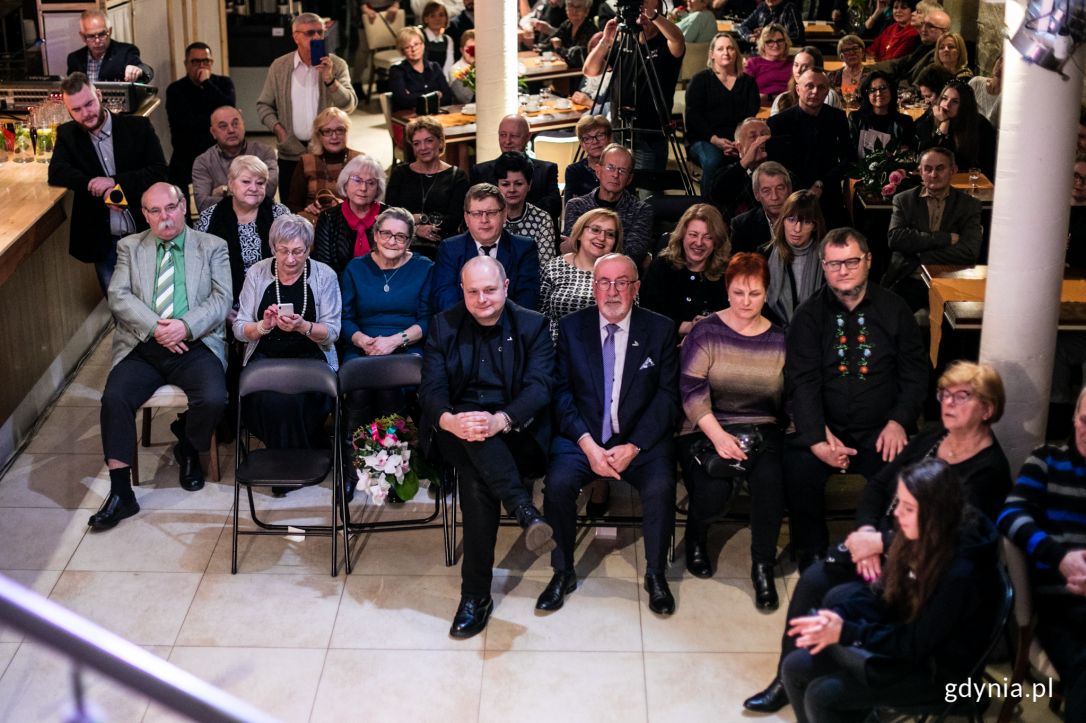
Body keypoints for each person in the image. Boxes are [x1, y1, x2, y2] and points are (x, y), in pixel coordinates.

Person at [746, 361, 1012, 713]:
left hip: (918, 570)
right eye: (944, 394)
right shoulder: (934, 437)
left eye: (961, 396)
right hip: (890, 548)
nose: (948, 403)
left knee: (837, 606)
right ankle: (792, 675)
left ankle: (846, 680)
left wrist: (883, 545)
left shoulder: (988, 472)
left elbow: (947, 541)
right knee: (815, 580)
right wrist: (867, 532)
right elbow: (878, 486)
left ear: (988, 409)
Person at [779, 458, 1001, 723]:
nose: (897, 513)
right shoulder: (921, 534)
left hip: (939, 672)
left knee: (822, 696)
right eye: (899, 503)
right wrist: (838, 616)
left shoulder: (960, 574)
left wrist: (847, 632)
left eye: (908, 508)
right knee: (794, 666)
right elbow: (885, 592)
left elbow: (915, 644)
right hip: (906, 640)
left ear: (935, 513)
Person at [419, 255, 556, 639]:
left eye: (490, 290)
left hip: (516, 430)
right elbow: (431, 389)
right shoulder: (443, 325)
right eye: (473, 292)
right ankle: (524, 510)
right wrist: (450, 421)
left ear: (506, 287)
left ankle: (475, 597)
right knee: (474, 450)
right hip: (455, 430)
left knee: (476, 479)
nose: (482, 299)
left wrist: (500, 420)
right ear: (462, 291)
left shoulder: (532, 325)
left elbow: (540, 387)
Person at [539, 253, 680, 615]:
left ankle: (655, 574)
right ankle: (562, 571)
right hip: (584, 435)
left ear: (636, 288)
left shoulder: (660, 329)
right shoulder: (572, 328)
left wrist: (635, 445)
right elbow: (561, 392)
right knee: (557, 485)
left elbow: (667, 397)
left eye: (622, 282)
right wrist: (587, 444)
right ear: (594, 287)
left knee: (661, 487)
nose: (612, 291)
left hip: (638, 438)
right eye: (604, 282)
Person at [89, 183, 230, 531]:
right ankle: (121, 493)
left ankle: (188, 445)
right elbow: (118, 296)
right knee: (114, 398)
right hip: (143, 345)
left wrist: (184, 326)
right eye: (155, 211)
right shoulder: (130, 247)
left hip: (194, 343)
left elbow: (222, 298)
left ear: (183, 206)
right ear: (145, 214)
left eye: (170, 208)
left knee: (214, 398)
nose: (164, 217)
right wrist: (156, 328)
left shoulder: (212, 246)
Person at [783, 227, 927, 568]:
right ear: (823, 266)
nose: (843, 270)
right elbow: (802, 382)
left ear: (868, 261)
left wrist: (899, 421)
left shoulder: (895, 309)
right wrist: (817, 437)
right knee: (798, 467)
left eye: (851, 261)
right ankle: (812, 553)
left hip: (882, 428)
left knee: (908, 473)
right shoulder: (808, 316)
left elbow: (916, 374)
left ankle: (886, 547)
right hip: (826, 427)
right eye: (834, 264)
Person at [677, 253, 786, 607]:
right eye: (738, 292)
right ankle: (696, 535)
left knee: (771, 483)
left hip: (761, 427)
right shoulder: (706, 332)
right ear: (727, 290)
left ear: (767, 293)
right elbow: (691, 391)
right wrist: (719, 436)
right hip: (706, 426)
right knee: (712, 490)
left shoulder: (779, 339)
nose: (745, 302)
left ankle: (762, 566)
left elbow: (787, 399)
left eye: (754, 294)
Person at [999, 388, 1086, 723]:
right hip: (1060, 603)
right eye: (1085, 420)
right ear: (1074, 419)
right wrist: (1061, 558)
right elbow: (1011, 515)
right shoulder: (1047, 459)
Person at [48, 72, 168, 294]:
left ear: (100, 95)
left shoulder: (138, 127)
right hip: (106, 243)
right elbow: (56, 173)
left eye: (89, 104)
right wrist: (94, 185)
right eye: (77, 109)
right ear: (68, 111)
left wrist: (113, 182)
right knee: (118, 308)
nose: (86, 113)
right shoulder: (67, 134)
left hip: (145, 235)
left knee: (157, 302)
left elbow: (159, 172)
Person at [232, 214, 341, 451]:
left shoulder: (325, 275)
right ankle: (297, 456)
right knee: (269, 400)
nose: (290, 259)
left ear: (308, 249)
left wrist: (303, 327)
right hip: (266, 359)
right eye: (283, 251)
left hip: (311, 359)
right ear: (273, 248)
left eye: (298, 251)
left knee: (297, 400)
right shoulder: (257, 273)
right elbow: (239, 329)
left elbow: (332, 332)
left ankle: (284, 457)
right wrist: (264, 325)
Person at [256, 12, 358, 200]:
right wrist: (279, 130)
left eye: (320, 32)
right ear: (296, 37)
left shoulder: (336, 65)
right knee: (291, 206)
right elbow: (264, 105)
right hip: (290, 151)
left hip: (327, 152)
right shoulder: (279, 67)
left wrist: (329, 79)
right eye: (310, 33)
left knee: (329, 206)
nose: (317, 37)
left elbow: (349, 104)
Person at [582, 2, 685, 171]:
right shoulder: (625, 42)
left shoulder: (665, 44)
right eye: (640, 11)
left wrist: (653, 15)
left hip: (650, 136)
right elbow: (590, 70)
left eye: (649, 11)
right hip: (619, 133)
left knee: (645, 188)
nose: (643, 16)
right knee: (616, 186)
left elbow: (678, 39)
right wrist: (605, 41)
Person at [884, 146, 983, 311]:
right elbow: (895, 239)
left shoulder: (969, 205)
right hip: (909, 279)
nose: (933, 175)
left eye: (940, 168)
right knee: (889, 318)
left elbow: (969, 251)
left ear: (953, 170)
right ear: (920, 172)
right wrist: (945, 239)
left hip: (951, 281)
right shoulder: (904, 200)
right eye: (928, 169)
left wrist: (920, 254)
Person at [195, 155, 291, 305]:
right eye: (246, 181)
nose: (253, 188)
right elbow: (200, 270)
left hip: (275, 301)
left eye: (260, 183)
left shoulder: (280, 215)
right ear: (231, 184)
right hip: (223, 304)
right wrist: (222, 310)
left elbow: (294, 260)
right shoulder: (209, 218)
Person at [432, 183, 541, 312]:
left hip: (510, 323)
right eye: (477, 213)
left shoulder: (524, 248)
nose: (484, 220)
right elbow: (445, 300)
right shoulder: (450, 249)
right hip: (462, 323)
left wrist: (494, 321)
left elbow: (526, 302)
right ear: (466, 218)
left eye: (491, 213)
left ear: (504, 215)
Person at [767, 69, 855, 227]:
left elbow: (849, 158)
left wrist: (821, 184)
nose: (815, 92)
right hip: (791, 195)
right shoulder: (778, 123)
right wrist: (804, 190)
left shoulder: (837, 118)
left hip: (828, 191)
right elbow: (776, 166)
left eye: (821, 87)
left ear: (827, 92)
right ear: (798, 89)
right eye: (809, 86)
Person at [684, 32, 761, 199]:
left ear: (736, 53)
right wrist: (716, 141)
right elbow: (693, 117)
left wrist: (739, 143)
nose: (726, 52)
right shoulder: (700, 80)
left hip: (738, 139)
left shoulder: (748, 82)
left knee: (759, 157)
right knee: (714, 160)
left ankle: (743, 206)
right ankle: (707, 207)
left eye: (730, 48)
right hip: (704, 138)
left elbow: (749, 118)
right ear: (712, 54)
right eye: (720, 49)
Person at [385, 116, 471, 255]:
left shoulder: (458, 176)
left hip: (443, 246)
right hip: (402, 245)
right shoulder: (400, 173)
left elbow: (455, 219)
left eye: (429, 141)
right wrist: (416, 229)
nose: (423, 148)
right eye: (417, 143)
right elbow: (390, 212)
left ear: (440, 141)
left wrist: (418, 219)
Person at [640, 204, 730, 334]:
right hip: (666, 342)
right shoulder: (661, 266)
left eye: (708, 237)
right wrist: (688, 327)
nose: (699, 243)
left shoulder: (727, 273)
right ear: (682, 235)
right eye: (693, 235)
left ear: (716, 241)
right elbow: (648, 316)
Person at [562, 144, 654, 267]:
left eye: (622, 171)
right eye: (610, 167)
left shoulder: (641, 210)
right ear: (598, 171)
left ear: (629, 179)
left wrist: (589, 248)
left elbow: (632, 256)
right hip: (579, 273)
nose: (615, 175)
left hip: (619, 275)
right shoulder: (576, 206)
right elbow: (572, 249)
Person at [165, 42, 236, 196]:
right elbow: (184, 124)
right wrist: (217, 122)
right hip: (187, 151)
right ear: (186, 64)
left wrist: (206, 83)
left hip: (218, 150)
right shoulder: (175, 89)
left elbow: (229, 111)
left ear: (212, 63)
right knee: (175, 189)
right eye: (195, 62)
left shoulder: (223, 83)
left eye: (206, 61)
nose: (201, 66)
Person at [539, 208, 622, 340]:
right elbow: (540, 314)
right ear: (579, 234)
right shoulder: (555, 267)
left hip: (603, 346)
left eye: (610, 234)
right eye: (595, 230)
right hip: (555, 346)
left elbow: (630, 320)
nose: (602, 238)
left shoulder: (622, 273)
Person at [470, 115, 561, 221]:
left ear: (528, 137)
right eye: (503, 135)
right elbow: (473, 210)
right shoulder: (480, 172)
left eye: (514, 136)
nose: (507, 141)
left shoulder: (546, 170)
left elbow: (554, 209)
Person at [191, 106, 279, 213]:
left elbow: (268, 192)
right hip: (220, 221)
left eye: (235, 124)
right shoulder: (203, 162)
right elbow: (203, 205)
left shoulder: (264, 153)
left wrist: (223, 190)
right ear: (213, 132)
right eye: (223, 126)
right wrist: (250, 194)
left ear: (244, 125)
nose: (231, 130)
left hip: (261, 218)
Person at [312, 155, 389, 275]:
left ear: (378, 189)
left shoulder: (390, 217)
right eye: (357, 180)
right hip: (339, 285)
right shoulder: (328, 218)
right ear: (345, 183)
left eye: (371, 183)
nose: (363, 188)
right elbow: (324, 267)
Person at [285, 107, 362, 222]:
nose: (334, 136)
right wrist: (307, 209)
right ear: (319, 135)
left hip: (351, 223)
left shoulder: (361, 161)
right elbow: (293, 206)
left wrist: (347, 207)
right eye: (327, 131)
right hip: (314, 223)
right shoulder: (306, 162)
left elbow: (371, 204)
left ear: (346, 132)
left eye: (340, 130)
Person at [764, 190, 826, 327]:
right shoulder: (765, 254)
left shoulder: (827, 256)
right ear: (783, 220)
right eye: (791, 220)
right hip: (773, 332)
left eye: (806, 222)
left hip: (816, 331)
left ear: (815, 226)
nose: (797, 229)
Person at [916, 80, 997, 178]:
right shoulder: (931, 117)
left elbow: (987, 165)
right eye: (944, 98)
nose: (947, 105)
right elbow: (925, 157)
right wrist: (943, 125)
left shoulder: (980, 125)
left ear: (964, 106)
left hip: (966, 180)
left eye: (955, 102)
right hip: (934, 178)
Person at [496, 152, 557, 268]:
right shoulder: (488, 216)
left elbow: (546, 268)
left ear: (529, 185)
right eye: (505, 184)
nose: (512, 190)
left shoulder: (542, 219)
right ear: (497, 186)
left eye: (518, 184)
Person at [66, 9, 153, 83]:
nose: (97, 41)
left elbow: (147, 72)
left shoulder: (125, 52)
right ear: (83, 36)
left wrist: (139, 71)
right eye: (91, 36)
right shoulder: (75, 59)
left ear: (110, 31)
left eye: (102, 34)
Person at [710, 118, 773, 220]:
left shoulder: (781, 171)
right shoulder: (727, 172)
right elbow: (717, 194)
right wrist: (746, 161)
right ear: (739, 147)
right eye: (753, 136)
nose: (760, 140)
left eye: (764, 135)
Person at [871, 6, 949, 87]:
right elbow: (897, 64)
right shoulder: (924, 46)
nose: (923, 29)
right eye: (923, 24)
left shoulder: (940, 54)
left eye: (931, 26)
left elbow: (917, 85)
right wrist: (866, 68)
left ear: (944, 32)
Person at [848, 71, 916, 159]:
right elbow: (850, 154)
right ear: (867, 95)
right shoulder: (856, 118)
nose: (879, 93)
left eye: (883, 88)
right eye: (872, 90)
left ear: (891, 90)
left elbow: (909, 154)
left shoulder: (905, 122)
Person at [730, 161, 792, 254]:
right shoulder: (742, 225)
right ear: (756, 194)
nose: (774, 197)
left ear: (790, 190)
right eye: (766, 190)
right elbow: (739, 263)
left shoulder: (806, 219)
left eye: (780, 188)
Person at [388, 26, 452, 112]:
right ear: (402, 51)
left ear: (423, 45)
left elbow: (448, 97)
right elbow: (402, 100)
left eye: (416, 44)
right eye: (407, 47)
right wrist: (435, 96)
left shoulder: (435, 67)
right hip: (410, 116)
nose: (413, 49)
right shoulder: (397, 70)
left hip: (437, 114)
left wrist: (413, 96)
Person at [770, 46, 844, 115]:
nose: (798, 71)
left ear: (817, 69)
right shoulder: (781, 98)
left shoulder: (828, 95)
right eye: (796, 65)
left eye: (805, 66)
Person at [563, 115, 613, 206]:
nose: (595, 142)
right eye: (587, 138)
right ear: (582, 144)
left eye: (600, 135)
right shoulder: (573, 171)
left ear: (609, 138)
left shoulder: (620, 167)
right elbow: (570, 208)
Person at [744, 24, 793, 103]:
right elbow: (745, 93)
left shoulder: (794, 64)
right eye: (770, 41)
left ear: (785, 43)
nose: (776, 45)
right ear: (763, 45)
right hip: (760, 107)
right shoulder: (753, 63)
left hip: (788, 106)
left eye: (779, 40)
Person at [543, 0, 598, 66]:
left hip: (581, 71)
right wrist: (539, 47)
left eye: (578, 7)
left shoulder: (590, 29)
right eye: (571, 6)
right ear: (566, 9)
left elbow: (577, 58)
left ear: (586, 11)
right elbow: (549, 42)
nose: (574, 11)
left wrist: (558, 48)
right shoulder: (567, 24)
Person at [738, 0, 804, 47]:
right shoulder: (762, 7)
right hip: (763, 51)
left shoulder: (790, 8)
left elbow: (798, 35)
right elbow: (742, 26)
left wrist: (766, 35)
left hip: (783, 53)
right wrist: (750, 37)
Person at [826, 35, 868, 101]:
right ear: (841, 56)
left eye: (855, 48)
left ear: (862, 52)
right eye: (846, 50)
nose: (851, 53)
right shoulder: (831, 77)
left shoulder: (872, 76)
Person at [421, 1, 455, 76]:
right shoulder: (420, 36)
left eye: (441, 15)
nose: (437, 19)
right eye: (432, 16)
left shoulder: (448, 40)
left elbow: (448, 65)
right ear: (426, 19)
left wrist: (442, 80)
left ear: (446, 18)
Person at [968, 54, 1003, 128]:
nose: (1000, 65)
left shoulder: (1006, 97)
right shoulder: (976, 82)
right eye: (1000, 60)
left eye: (1006, 64)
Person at [448, 29, 476, 104]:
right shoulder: (455, 70)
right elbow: (466, 98)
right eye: (469, 49)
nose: (473, 53)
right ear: (462, 50)